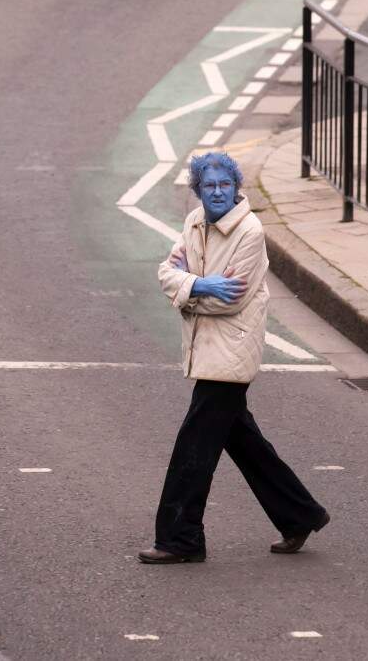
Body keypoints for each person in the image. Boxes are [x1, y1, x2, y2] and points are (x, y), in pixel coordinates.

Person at [139, 152, 329, 564]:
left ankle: (180, 538)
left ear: (236, 187)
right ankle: (299, 514)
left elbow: (231, 301)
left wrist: (186, 294)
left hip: (231, 352)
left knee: (194, 446)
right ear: (198, 191)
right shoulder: (193, 223)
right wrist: (199, 284)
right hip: (206, 348)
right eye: (210, 186)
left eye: (226, 184)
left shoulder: (250, 231)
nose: (219, 192)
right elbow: (164, 272)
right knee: (243, 440)